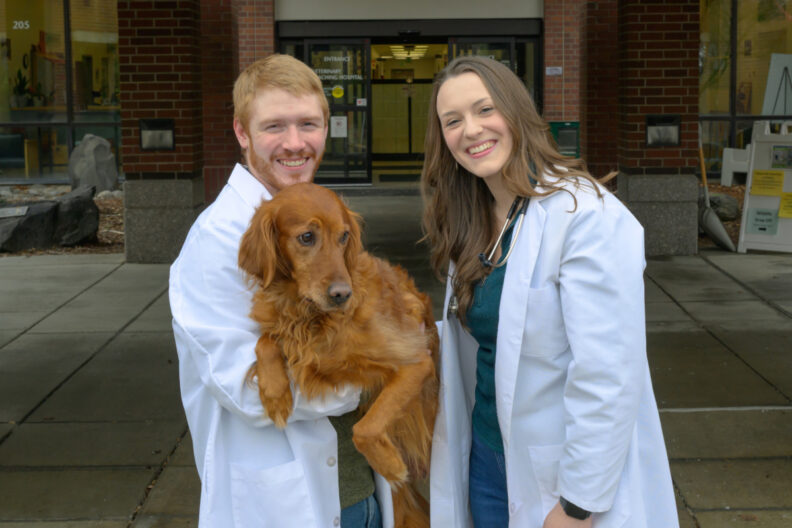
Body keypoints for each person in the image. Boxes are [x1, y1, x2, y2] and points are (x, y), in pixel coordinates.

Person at [421, 56, 678, 527]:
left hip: (560, 479)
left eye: (484, 110)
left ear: (516, 112)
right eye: (452, 121)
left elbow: (608, 373)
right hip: (486, 461)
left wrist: (577, 507)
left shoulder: (585, 215)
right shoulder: (474, 222)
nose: (471, 130)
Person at [169, 54, 392, 528]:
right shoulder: (217, 242)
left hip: (359, 490)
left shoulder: (318, 214)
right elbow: (249, 392)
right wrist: (378, 376)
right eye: (274, 127)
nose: (295, 144)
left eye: (309, 124)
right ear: (242, 133)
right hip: (287, 503)